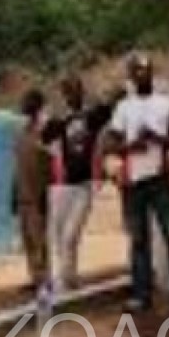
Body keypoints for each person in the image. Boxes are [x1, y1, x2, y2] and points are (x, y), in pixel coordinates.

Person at [107, 54, 169, 312]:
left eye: (146, 70)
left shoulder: (166, 104)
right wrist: (132, 146)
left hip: (161, 180)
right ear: (131, 77)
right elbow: (112, 144)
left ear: (152, 74)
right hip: (133, 182)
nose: (142, 75)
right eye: (137, 71)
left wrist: (157, 138)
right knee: (139, 240)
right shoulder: (123, 107)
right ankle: (141, 295)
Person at [42, 76, 113, 293]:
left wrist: (90, 101)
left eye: (77, 91)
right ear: (64, 95)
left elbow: (108, 109)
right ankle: (63, 280)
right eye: (69, 92)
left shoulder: (91, 117)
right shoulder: (58, 121)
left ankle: (66, 279)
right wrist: (62, 118)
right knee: (56, 235)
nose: (74, 95)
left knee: (71, 233)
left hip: (84, 184)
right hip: (60, 184)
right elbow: (45, 137)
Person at [12, 89, 52, 305]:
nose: (22, 105)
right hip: (23, 194)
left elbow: (50, 166)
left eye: (26, 102)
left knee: (41, 241)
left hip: (39, 195)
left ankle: (46, 280)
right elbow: (16, 167)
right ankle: (35, 278)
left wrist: (47, 194)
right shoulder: (21, 133)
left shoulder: (45, 131)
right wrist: (13, 193)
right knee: (28, 240)